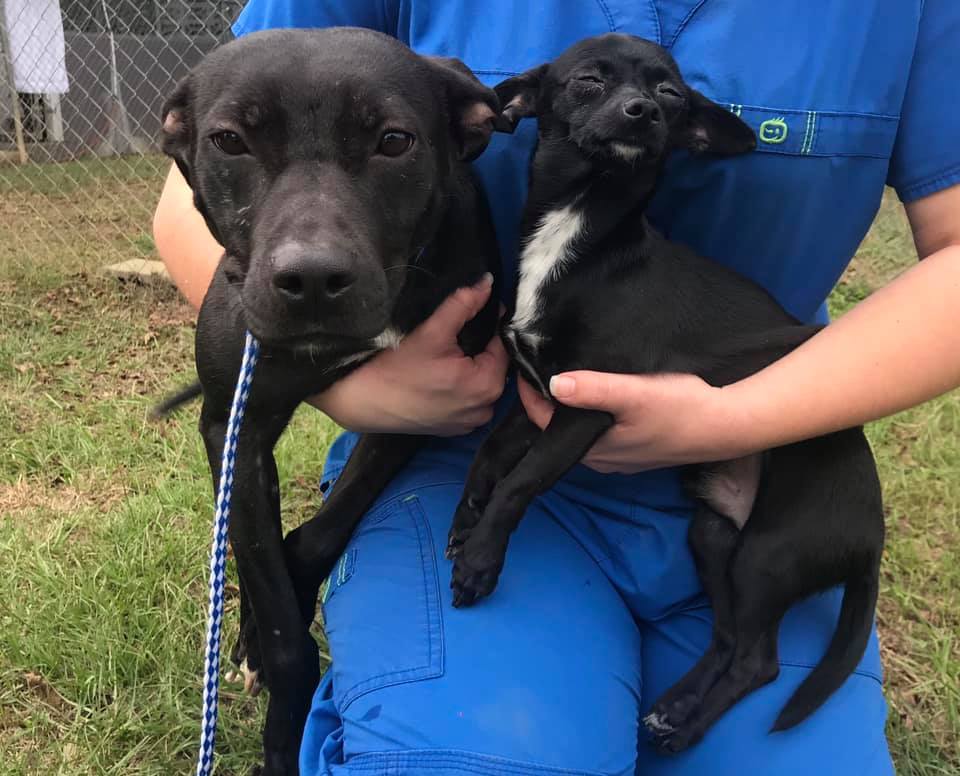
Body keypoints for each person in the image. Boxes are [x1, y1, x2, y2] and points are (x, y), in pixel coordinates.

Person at [153, 2, 960, 774]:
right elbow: (196, 183)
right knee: (470, 755)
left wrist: (734, 417)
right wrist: (356, 397)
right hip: (465, 461)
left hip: (772, 466)